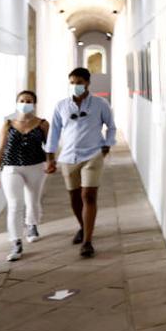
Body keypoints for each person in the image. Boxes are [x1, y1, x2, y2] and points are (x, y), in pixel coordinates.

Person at [45, 67, 116, 257]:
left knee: (89, 196)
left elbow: (111, 127)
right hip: (69, 157)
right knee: (75, 197)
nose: (75, 86)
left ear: (87, 83)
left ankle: (87, 241)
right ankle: (83, 227)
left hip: (93, 155)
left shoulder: (100, 104)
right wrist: (50, 157)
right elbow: (54, 132)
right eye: (72, 82)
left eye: (79, 82)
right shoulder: (61, 106)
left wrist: (107, 146)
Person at [0, 90, 50, 262]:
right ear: (17, 103)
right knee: (15, 204)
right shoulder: (8, 124)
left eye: (29, 100)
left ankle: (32, 224)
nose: (25, 103)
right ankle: (16, 241)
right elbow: (1, 149)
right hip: (11, 168)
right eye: (22, 100)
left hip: (36, 166)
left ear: (34, 104)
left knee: (32, 200)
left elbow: (50, 145)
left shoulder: (42, 124)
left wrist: (51, 161)